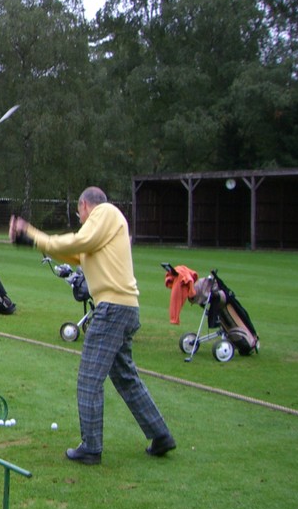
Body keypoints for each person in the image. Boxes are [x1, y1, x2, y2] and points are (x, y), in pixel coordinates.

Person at [10, 186, 176, 465]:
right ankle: (161, 435)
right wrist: (34, 242)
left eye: (79, 213)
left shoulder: (105, 213)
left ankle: (91, 448)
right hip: (123, 308)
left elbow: (77, 242)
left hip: (112, 309)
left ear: (85, 206)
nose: (81, 218)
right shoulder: (104, 232)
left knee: (89, 379)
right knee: (126, 378)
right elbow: (77, 256)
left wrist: (33, 233)